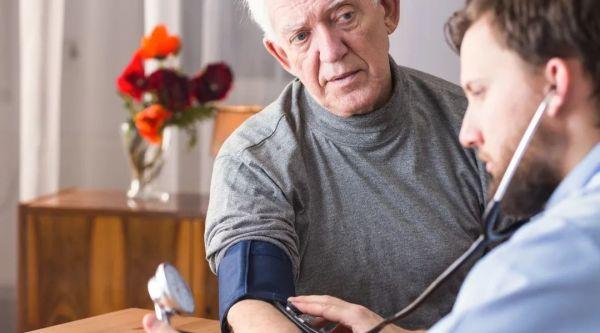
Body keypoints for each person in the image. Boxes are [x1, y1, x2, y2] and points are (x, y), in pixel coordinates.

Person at [143, 0, 488, 332]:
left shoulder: (476, 123)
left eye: (344, 16)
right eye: (301, 37)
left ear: (388, 9)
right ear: (282, 55)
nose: (331, 50)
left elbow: (534, 287)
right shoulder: (253, 159)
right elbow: (253, 304)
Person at [282, 0, 600, 332]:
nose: (468, 133)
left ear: (555, 84)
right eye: (301, 35)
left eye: (479, 92)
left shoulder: (543, 265)